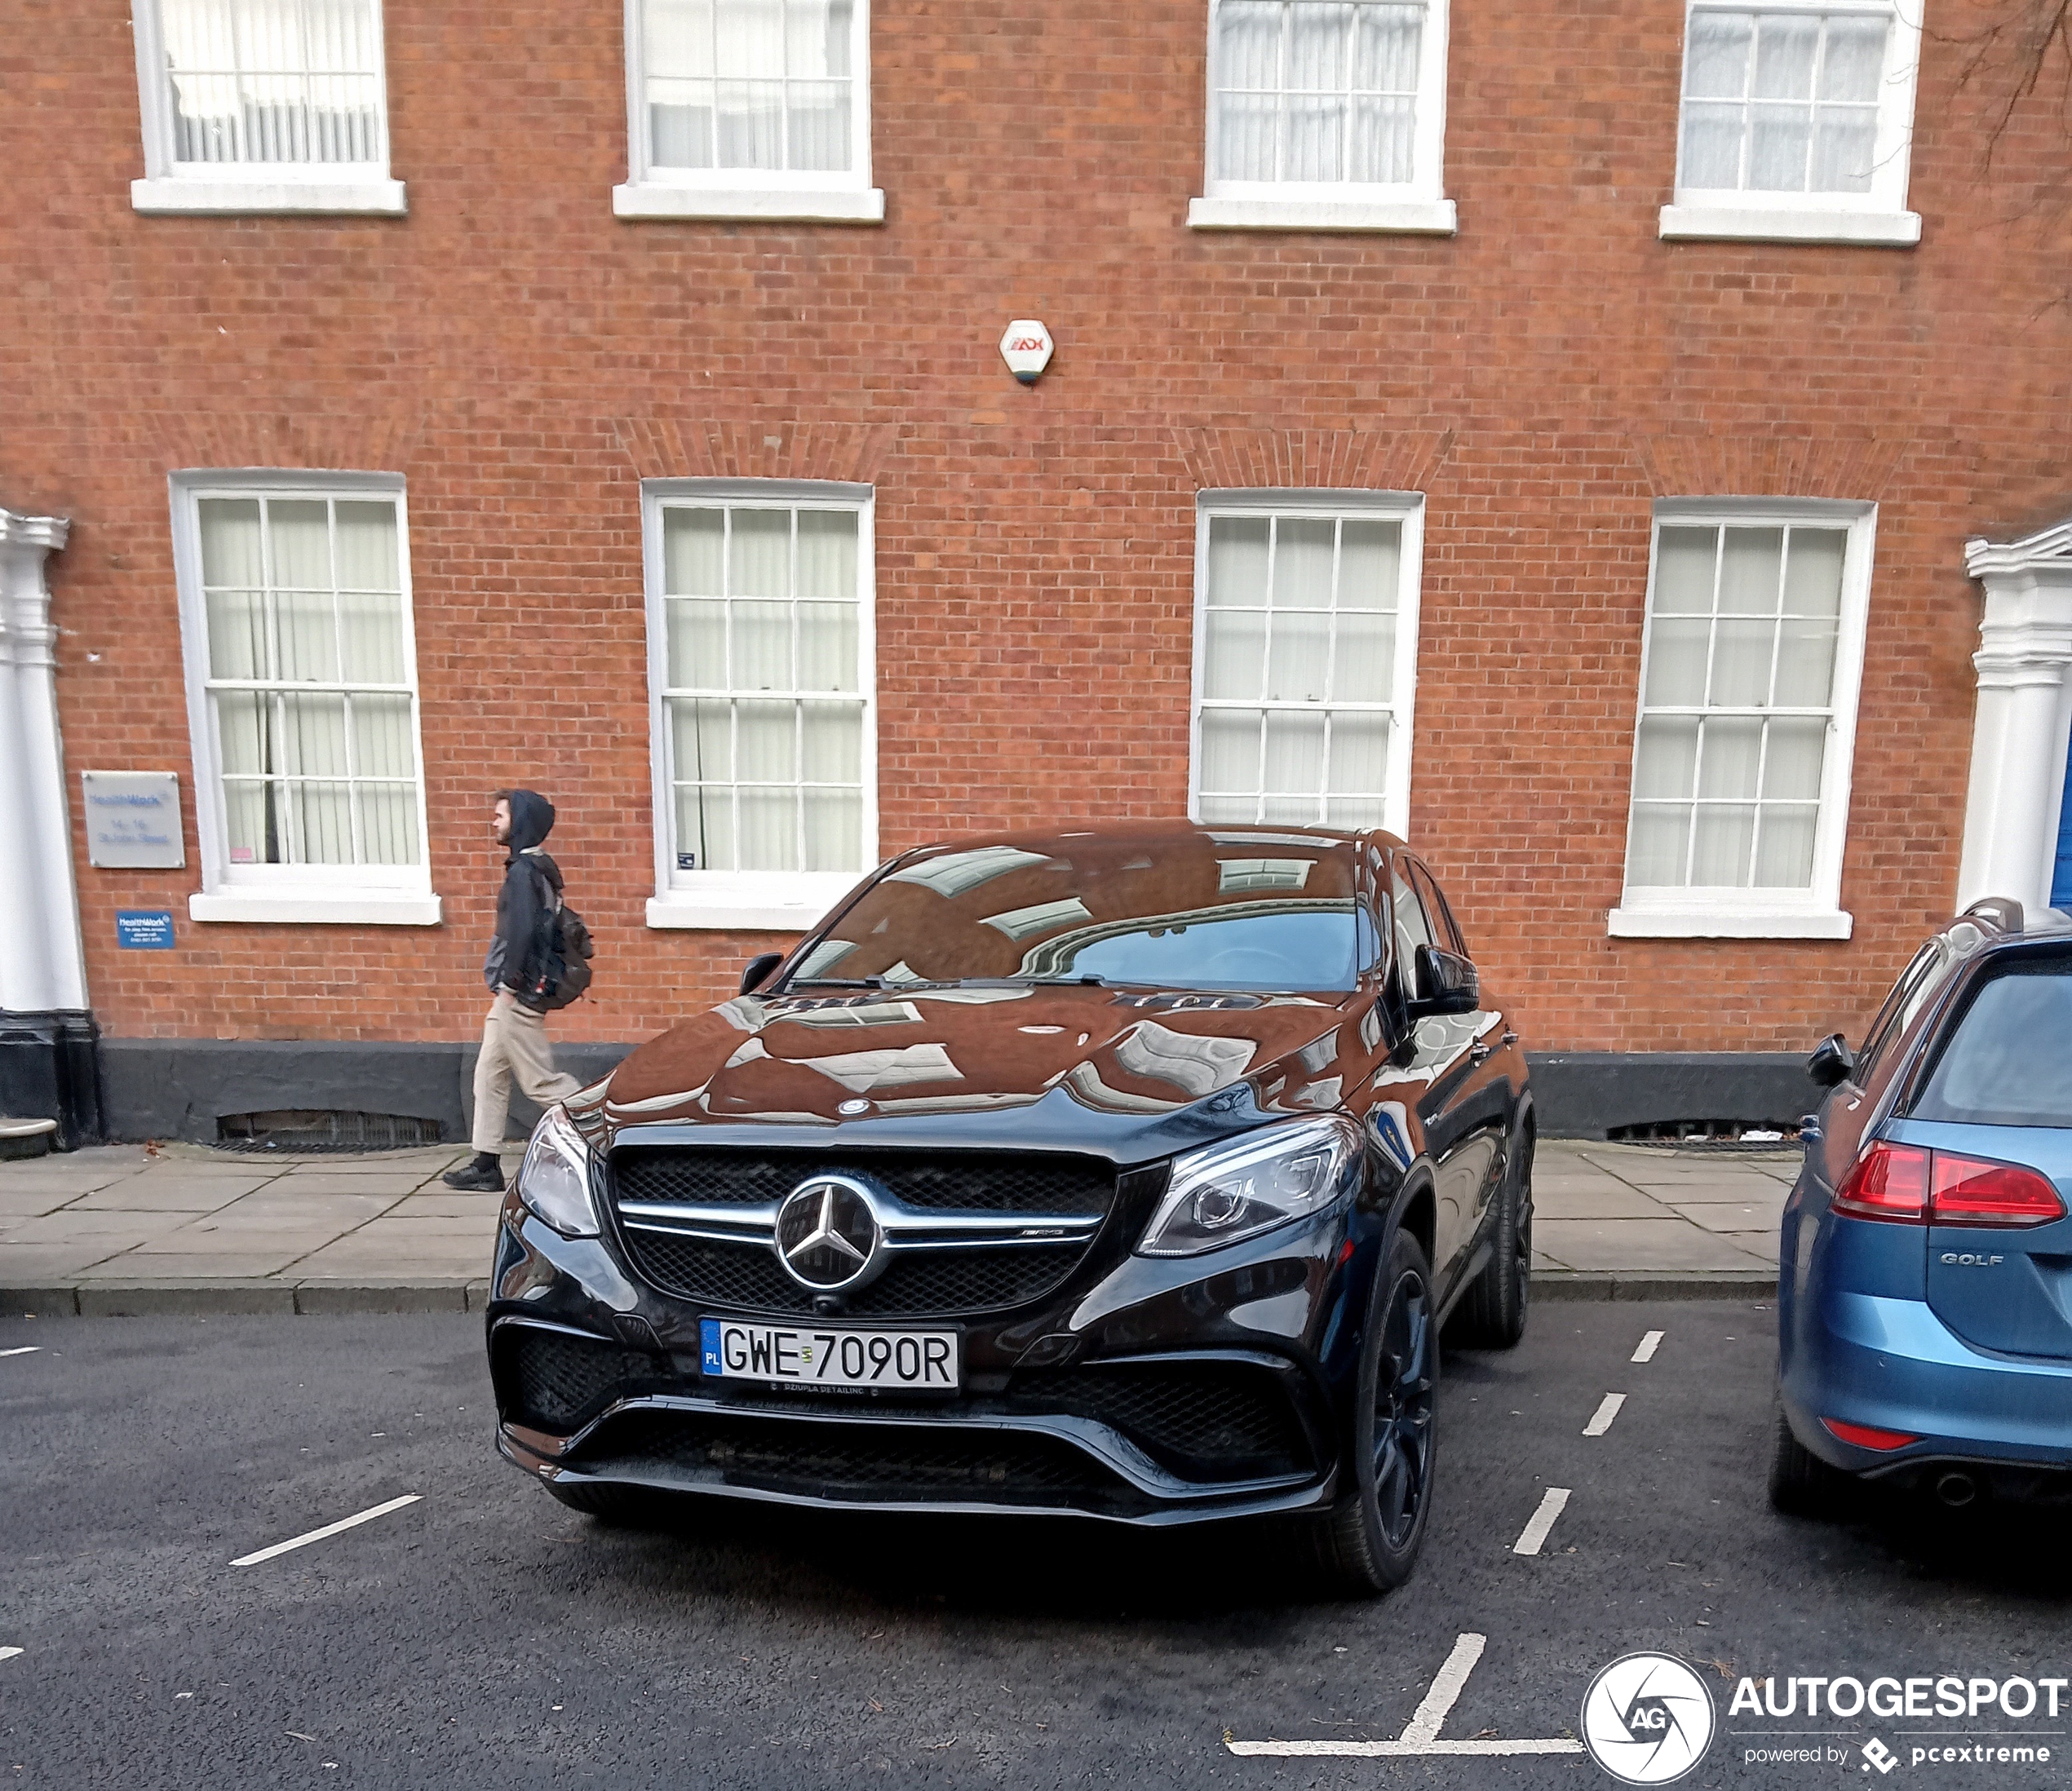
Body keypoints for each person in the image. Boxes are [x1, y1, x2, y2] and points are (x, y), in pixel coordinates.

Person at [444, 789, 580, 1192]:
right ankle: (486, 1164)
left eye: (500, 815)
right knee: (489, 1073)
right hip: (515, 991)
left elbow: (524, 934)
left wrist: (510, 985)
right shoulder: (537, 868)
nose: (494, 822)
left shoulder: (524, 872)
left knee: (540, 1082)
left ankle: (600, 1134)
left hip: (516, 994)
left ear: (518, 822)